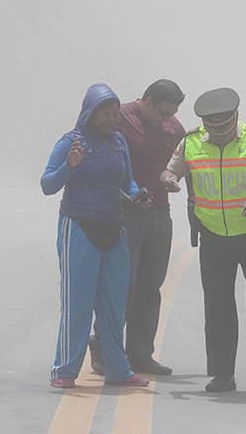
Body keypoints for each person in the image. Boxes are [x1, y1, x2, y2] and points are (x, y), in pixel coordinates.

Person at [161, 87, 246, 392]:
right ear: (205, 124)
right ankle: (222, 373)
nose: (218, 133)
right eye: (212, 128)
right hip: (214, 237)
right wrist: (169, 180)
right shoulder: (190, 142)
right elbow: (170, 171)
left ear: (235, 118)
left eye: (224, 127)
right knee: (218, 306)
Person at [41, 83, 150, 389]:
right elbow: (47, 185)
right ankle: (64, 369)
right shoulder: (70, 142)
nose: (114, 119)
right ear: (90, 112)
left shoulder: (118, 143)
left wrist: (136, 195)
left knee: (114, 303)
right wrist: (69, 166)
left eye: (116, 113)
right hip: (78, 225)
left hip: (114, 227)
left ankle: (118, 369)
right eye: (106, 112)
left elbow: (126, 181)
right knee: (78, 301)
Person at [89, 79, 185, 376]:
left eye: (172, 113)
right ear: (146, 100)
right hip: (124, 215)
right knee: (121, 286)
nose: (167, 119)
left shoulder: (175, 128)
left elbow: (185, 162)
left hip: (160, 213)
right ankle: (104, 349)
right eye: (163, 112)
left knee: (150, 286)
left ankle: (141, 353)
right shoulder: (121, 120)